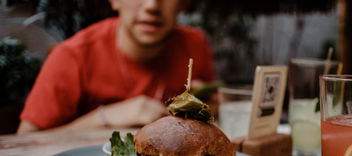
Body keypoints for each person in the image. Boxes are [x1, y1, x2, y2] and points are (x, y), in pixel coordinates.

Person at [17, 0, 215, 134]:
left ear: (183, 4)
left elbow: (213, 110)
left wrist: (212, 105)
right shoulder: (73, 56)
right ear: (114, 0)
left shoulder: (194, 45)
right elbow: (22, 143)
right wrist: (104, 117)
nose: (152, 5)